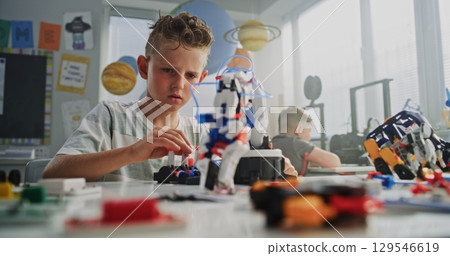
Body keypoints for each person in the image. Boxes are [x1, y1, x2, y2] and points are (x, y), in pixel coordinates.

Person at [43, 12, 213, 181]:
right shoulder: (110, 116)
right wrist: (132, 153)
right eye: (168, 70)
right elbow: (53, 173)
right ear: (144, 68)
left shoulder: (201, 134)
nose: (179, 84)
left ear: (201, 80)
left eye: (190, 75)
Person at [272, 107, 341, 174]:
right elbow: (335, 161)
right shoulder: (296, 143)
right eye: (309, 131)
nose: (310, 137)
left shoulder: (272, 143)